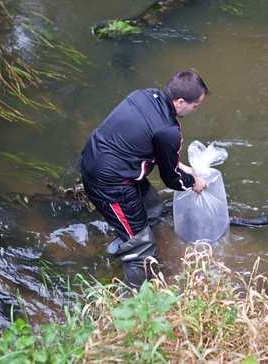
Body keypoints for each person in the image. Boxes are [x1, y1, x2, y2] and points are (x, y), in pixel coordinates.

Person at [80, 70, 208, 289]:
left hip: (97, 158)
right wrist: (193, 183)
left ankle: (131, 234)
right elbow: (171, 180)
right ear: (179, 102)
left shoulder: (143, 95)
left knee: (152, 204)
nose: (196, 110)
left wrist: (185, 167)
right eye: (195, 106)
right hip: (109, 183)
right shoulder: (168, 130)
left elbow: (147, 146)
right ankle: (136, 295)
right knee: (141, 246)